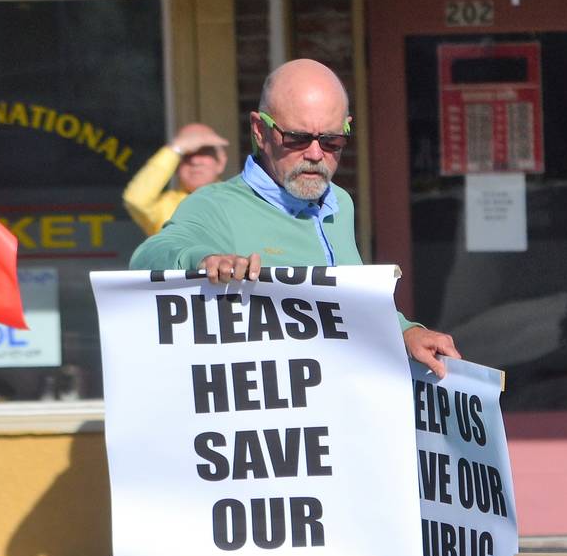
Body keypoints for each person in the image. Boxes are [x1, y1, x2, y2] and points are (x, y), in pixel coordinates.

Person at [129, 59, 460, 376]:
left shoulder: (339, 203)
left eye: (331, 140)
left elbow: (350, 303)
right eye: (297, 139)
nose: (315, 154)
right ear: (261, 131)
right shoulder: (216, 205)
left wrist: (404, 332)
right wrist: (202, 260)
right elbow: (146, 259)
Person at [121, 122, 228, 235]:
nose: (195, 161)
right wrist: (176, 149)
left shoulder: (240, 199)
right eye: (186, 155)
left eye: (204, 152)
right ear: (175, 166)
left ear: (221, 162)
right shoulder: (166, 207)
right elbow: (136, 201)